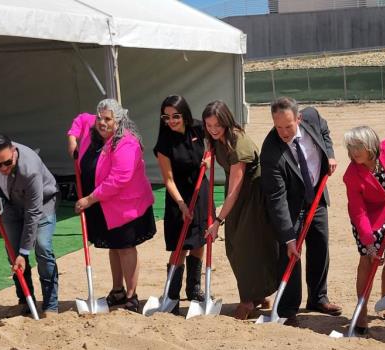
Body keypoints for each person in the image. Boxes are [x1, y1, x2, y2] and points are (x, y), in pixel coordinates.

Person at [67, 98, 156, 313]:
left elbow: (119, 179)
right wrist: (73, 140)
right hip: (104, 207)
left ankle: (131, 296)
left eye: (108, 119)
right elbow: (80, 120)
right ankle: (117, 290)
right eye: (100, 118)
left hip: (125, 206)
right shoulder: (93, 126)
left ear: (118, 120)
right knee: (113, 247)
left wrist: (88, 199)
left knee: (125, 248)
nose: (102, 122)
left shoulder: (127, 142)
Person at [260, 96, 342, 326]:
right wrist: (288, 238)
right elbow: (276, 199)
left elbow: (325, 132)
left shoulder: (313, 117)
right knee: (290, 255)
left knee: (320, 245)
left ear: (299, 118)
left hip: (316, 196)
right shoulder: (270, 152)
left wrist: (330, 154)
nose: (284, 132)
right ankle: (287, 309)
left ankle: (318, 298)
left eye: (288, 126)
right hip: (291, 204)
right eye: (278, 127)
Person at [203, 100, 279, 320]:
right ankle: (258, 295)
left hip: (253, 196)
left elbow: (235, 189)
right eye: (209, 125)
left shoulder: (239, 143)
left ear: (226, 121)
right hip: (239, 193)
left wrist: (218, 220)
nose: (213, 129)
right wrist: (207, 157)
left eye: (217, 124)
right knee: (236, 245)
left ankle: (248, 300)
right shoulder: (217, 138)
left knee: (244, 248)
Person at [0, 135, 60, 317]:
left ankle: (51, 305)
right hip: (11, 202)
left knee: (43, 247)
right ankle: (25, 301)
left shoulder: (30, 170)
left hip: (42, 204)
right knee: (12, 253)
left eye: (7, 162)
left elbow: (33, 214)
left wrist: (24, 252)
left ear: (14, 152)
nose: (3, 168)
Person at [342, 126, 385, 335]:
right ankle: (361, 311)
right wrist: (369, 244)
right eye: (351, 147)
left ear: (371, 146)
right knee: (368, 261)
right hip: (367, 219)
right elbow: (358, 211)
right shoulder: (352, 175)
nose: (354, 152)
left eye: (358, 147)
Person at [154, 95, 208, 314]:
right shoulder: (164, 143)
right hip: (178, 196)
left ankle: (194, 287)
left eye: (176, 116)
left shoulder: (198, 128)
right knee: (180, 245)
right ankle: (172, 293)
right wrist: (182, 204)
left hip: (200, 191)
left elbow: (213, 146)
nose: (172, 120)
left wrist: (209, 159)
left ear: (184, 113)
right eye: (166, 117)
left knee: (199, 240)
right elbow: (168, 180)